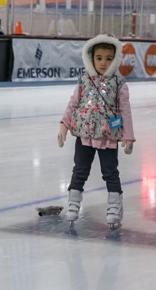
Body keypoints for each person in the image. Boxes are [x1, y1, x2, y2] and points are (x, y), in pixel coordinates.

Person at [58, 34, 135, 230]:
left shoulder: (119, 84)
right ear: (91, 58)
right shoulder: (84, 80)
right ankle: (73, 203)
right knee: (80, 170)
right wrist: (64, 125)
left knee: (110, 172)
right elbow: (73, 104)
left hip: (108, 136)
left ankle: (115, 206)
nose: (103, 63)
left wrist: (128, 136)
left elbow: (125, 110)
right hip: (84, 134)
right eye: (99, 58)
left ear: (115, 59)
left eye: (108, 59)